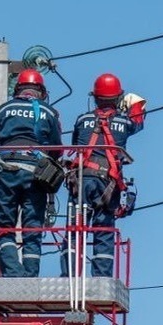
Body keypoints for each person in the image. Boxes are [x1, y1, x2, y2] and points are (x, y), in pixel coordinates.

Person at [60, 72, 145, 278]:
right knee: (104, 231)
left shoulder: (82, 119)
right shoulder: (124, 124)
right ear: (118, 99)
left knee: (74, 230)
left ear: (95, 98)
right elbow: (139, 121)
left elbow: (76, 143)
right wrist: (134, 104)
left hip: (80, 180)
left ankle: (69, 277)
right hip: (107, 184)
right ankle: (101, 277)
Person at [0, 68, 64, 277]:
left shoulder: (5, 109)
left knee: (3, 225)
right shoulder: (48, 112)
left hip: (7, 170)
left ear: (18, 88)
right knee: (33, 227)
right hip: (36, 174)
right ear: (41, 91)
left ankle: (13, 273)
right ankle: (29, 276)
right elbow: (57, 148)